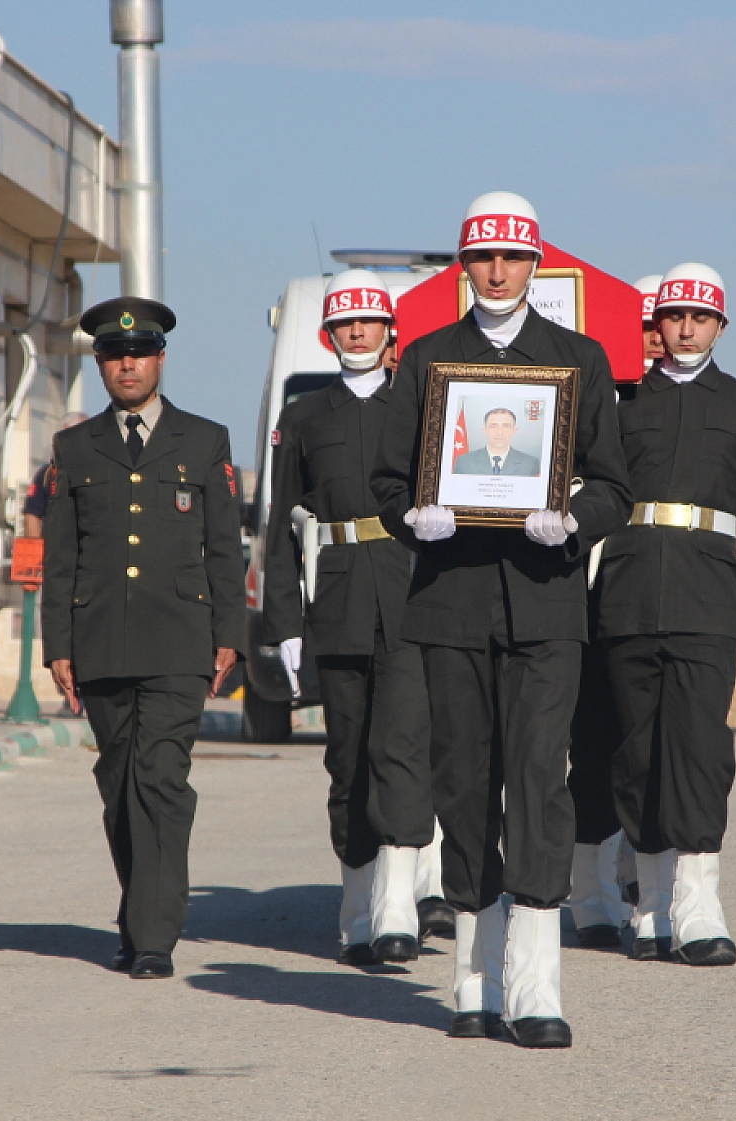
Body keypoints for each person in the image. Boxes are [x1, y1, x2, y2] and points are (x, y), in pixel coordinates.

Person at [372, 191, 632, 1049]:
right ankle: (473, 980)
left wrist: (576, 519)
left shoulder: (580, 359)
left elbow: (613, 485)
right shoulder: (427, 361)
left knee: (538, 781)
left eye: (512, 258)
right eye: (481, 257)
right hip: (449, 604)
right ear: (463, 265)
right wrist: (415, 515)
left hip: (547, 604)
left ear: (533, 266)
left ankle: (535, 984)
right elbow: (384, 480)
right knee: (462, 785)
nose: (496, 271)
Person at [594, 263, 736, 967]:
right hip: (624, 591)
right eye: (674, 316)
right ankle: (650, 905)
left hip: (710, 595)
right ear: (656, 322)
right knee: (635, 750)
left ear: (720, 325)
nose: (685, 328)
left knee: (699, 747)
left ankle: (699, 902)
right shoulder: (619, 404)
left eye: (700, 318)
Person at [40, 296, 244, 980]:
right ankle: (140, 910)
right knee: (119, 782)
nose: (127, 364)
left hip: (180, 639)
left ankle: (154, 933)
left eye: (139, 352)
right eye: (113, 355)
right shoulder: (74, 448)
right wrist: (57, 644)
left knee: (160, 776)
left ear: (160, 358)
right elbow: (61, 556)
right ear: (100, 363)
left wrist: (229, 636)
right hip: (100, 639)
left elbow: (224, 548)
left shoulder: (204, 439)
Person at [261, 269, 447, 966]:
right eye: (346, 324)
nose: (359, 332)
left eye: (370, 321)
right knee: (348, 761)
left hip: (410, 597)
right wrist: (285, 622)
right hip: (336, 600)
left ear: (390, 330)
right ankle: (357, 904)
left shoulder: (423, 407)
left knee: (401, 748)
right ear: (327, 335)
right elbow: (282, 525)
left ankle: (398, 904)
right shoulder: (306, 418)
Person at [564, 273, 665, 947]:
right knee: (591, 749)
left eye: (663, 326)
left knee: (650, 750)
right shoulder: (600, 399)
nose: (656, 339)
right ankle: (590, 893)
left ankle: (641, 880)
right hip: (586, 595)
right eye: (646, 327)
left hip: (647, 602)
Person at [18, 413, 89, 539]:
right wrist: (36, 550)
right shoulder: (47, 474)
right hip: (56, 550)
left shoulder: (103, 471)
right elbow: (32, 515)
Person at [453, 408, 541, 476]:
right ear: (485, 430)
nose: (499, 432)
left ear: (514, 430)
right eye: (493, 426)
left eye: (506, 426)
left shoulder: (531, 464)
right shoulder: (464, 462)